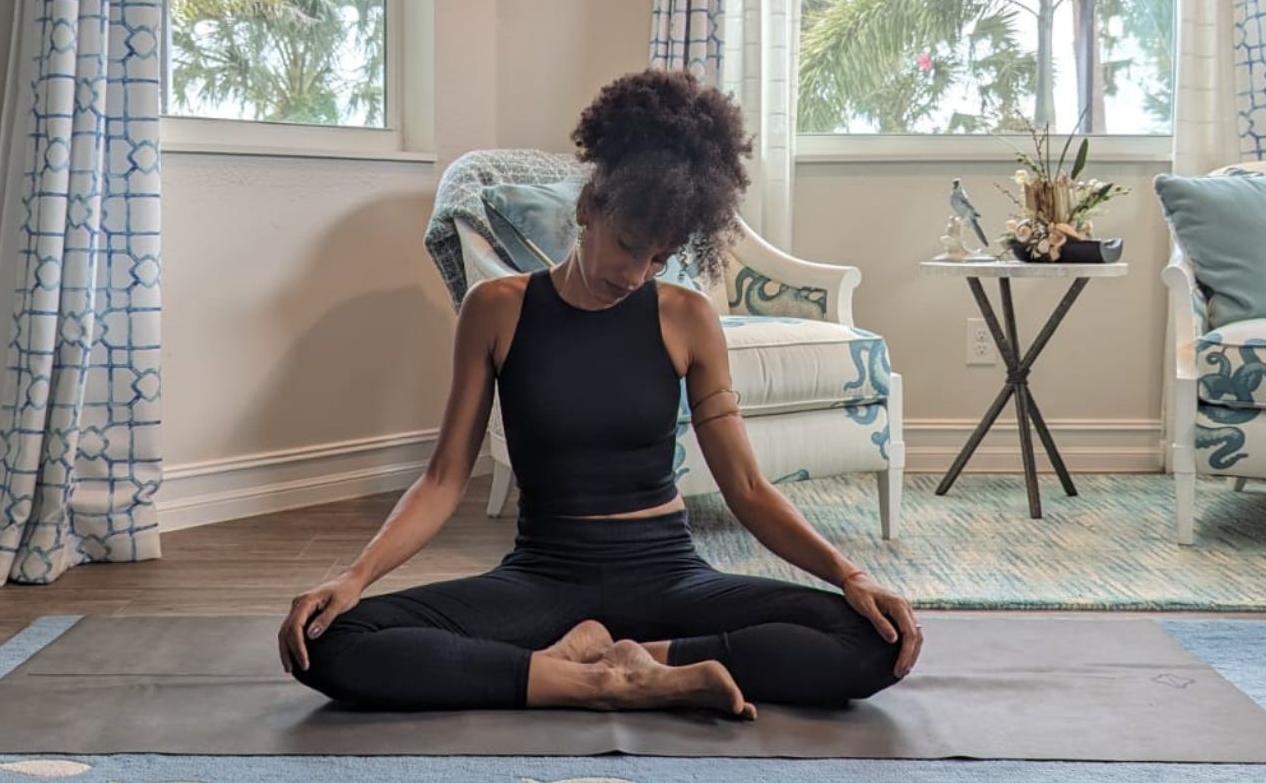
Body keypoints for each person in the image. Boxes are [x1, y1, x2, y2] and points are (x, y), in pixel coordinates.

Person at [278, 68, 923, 720]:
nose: (636, 272)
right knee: (332, 641)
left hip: (668, 572)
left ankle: (638, 657)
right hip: (543, 575)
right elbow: (444, 480)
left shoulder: (686, 317)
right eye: (628, 245)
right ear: (589, 208)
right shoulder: (496, 309)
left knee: (872, 640)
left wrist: (853, 576)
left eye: (659, 257)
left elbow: (747, 489)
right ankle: (602, 680)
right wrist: (353, 577)